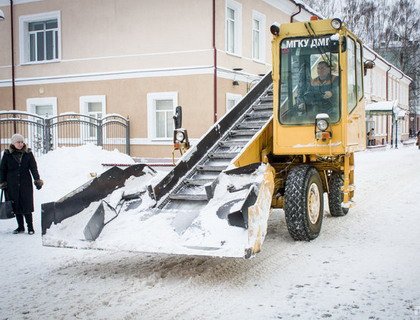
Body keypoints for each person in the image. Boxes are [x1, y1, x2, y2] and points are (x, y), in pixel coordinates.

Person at [0, 134, 43, 235]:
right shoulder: (7, 154)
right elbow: (2, 169)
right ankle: (20, 227)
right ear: (13, 143)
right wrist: (2, 182)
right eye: (18, 142)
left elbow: (33, 168)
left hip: (25, 183)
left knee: (27, 205)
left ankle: (30, 227)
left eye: (21, 142)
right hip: (11, 184)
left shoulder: (28, 153)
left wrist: (37, 180)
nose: (20, 144)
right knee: (16, 206)